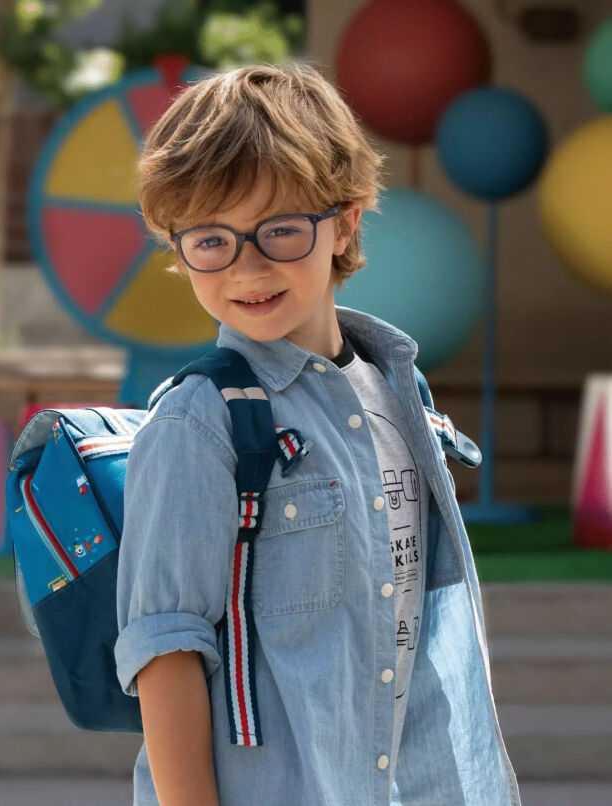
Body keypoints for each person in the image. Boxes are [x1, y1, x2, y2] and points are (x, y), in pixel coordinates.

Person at [115, 62, 520, 806]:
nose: (248, 267)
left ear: (346, 222)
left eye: (279, 231)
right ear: (178, 249)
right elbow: (164, 655)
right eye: (211, 240)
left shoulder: (398, 392)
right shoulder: (197, 423)